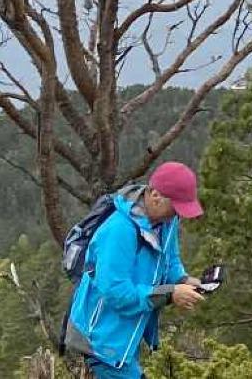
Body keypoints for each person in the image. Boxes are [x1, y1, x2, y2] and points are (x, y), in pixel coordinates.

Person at [66, 161, 206, 379]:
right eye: (176, 207)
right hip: (99, 342)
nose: (179, 215)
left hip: (123, 336)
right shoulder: (119, 230)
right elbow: (117, 293)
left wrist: (183, 279)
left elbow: (170, 259)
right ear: (155, 195)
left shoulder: (166, 221)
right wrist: (170, 293)